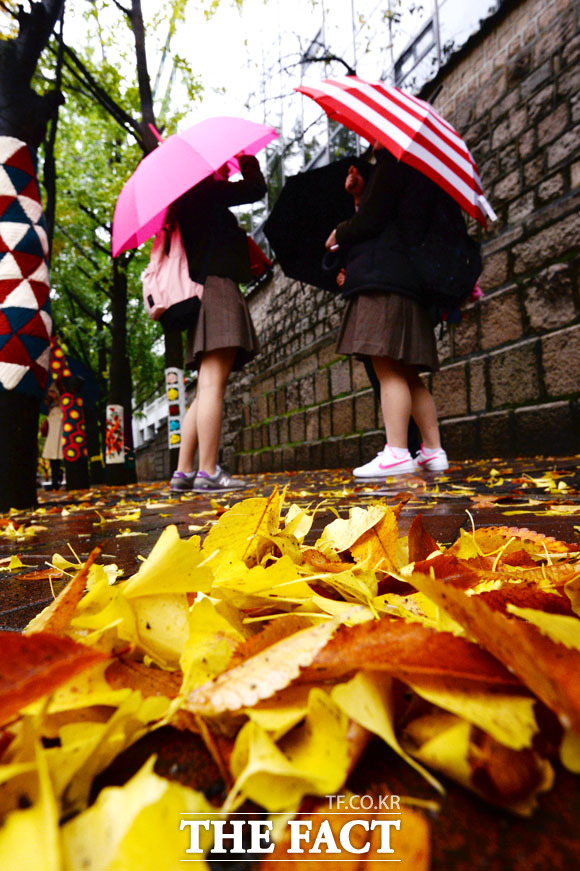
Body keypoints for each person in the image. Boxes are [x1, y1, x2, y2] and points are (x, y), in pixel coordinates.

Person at [325, 146, 449, 478]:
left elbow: (372, 220)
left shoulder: (391, 163)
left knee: (388, 367)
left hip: (382, 280)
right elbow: (389, 216)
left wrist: (340, 232)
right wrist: (360, 196)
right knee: (408, 373)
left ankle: (396, 452)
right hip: (407, 280)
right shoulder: (417, 169)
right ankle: (433, 451)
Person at [169, 153, 267, 493]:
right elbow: (255, 190)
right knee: (212, 386)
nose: (224, 168)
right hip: (219, 291)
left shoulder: (186, 203)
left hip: (202, 296)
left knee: (204, 389)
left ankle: (184, 471)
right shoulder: (205, 193)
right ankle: (208, 471)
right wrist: (248, 162)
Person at [42, 381, 64, 489]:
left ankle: (57, 478)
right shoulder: (49, 406)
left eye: (52, 392)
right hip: (52, 435)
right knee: (53, 459)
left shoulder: (63, 406)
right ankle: (55, 480)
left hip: (60, 435)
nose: (50, 394)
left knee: (59, 457)